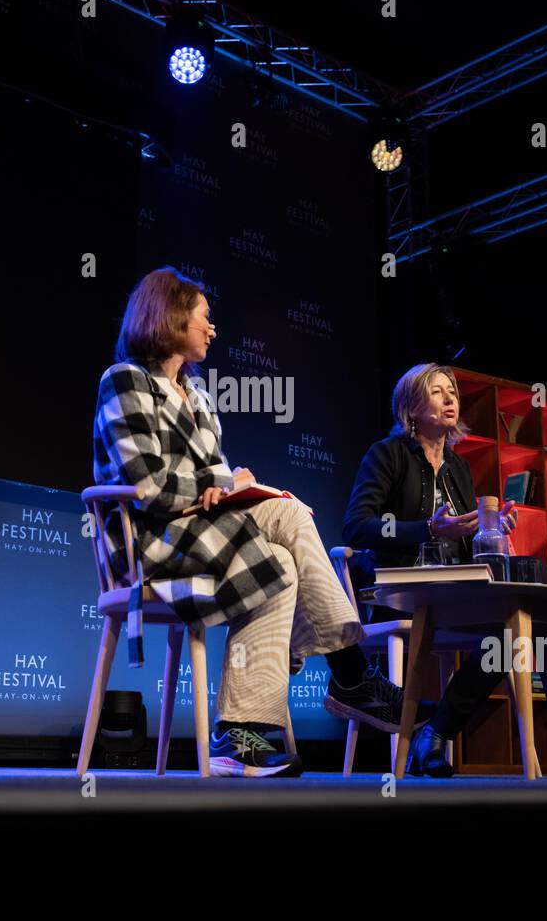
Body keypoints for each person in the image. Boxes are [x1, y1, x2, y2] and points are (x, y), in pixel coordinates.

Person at [93, 267, 425, 777]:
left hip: (206, 534)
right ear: (172, 317)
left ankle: (241, 736)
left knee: (281, 558)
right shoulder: (125, 382)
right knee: (281, 534)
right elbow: (145, 486)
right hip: (152, 543)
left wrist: (233, 482)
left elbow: (210, 474)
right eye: (205, 318)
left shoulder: (199, 396)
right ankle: (351, 674)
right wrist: (218, 485)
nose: (212, 329)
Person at [343, 362, 547, 776]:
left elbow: (463, 541)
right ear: (411, 406)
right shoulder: (386, 455)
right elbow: (356, 525)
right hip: (401, 592)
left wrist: (490, 530)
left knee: (528, 604)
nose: (450, 399)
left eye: (453, 393)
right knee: (519, 622)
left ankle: (443, 732)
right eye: (438, 392)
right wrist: (426, 528)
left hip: (454, 591)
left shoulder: (457, 466)